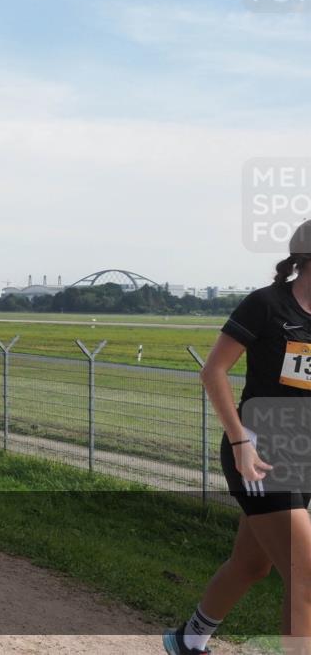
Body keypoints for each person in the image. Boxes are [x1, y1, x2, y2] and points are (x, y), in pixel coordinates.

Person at [164, 221, 311, 655]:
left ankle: (187, 640)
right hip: (260, 455)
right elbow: (213, 371)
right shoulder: (267, 305)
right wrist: (240, 442)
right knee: (305, 576)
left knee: (251, 565)